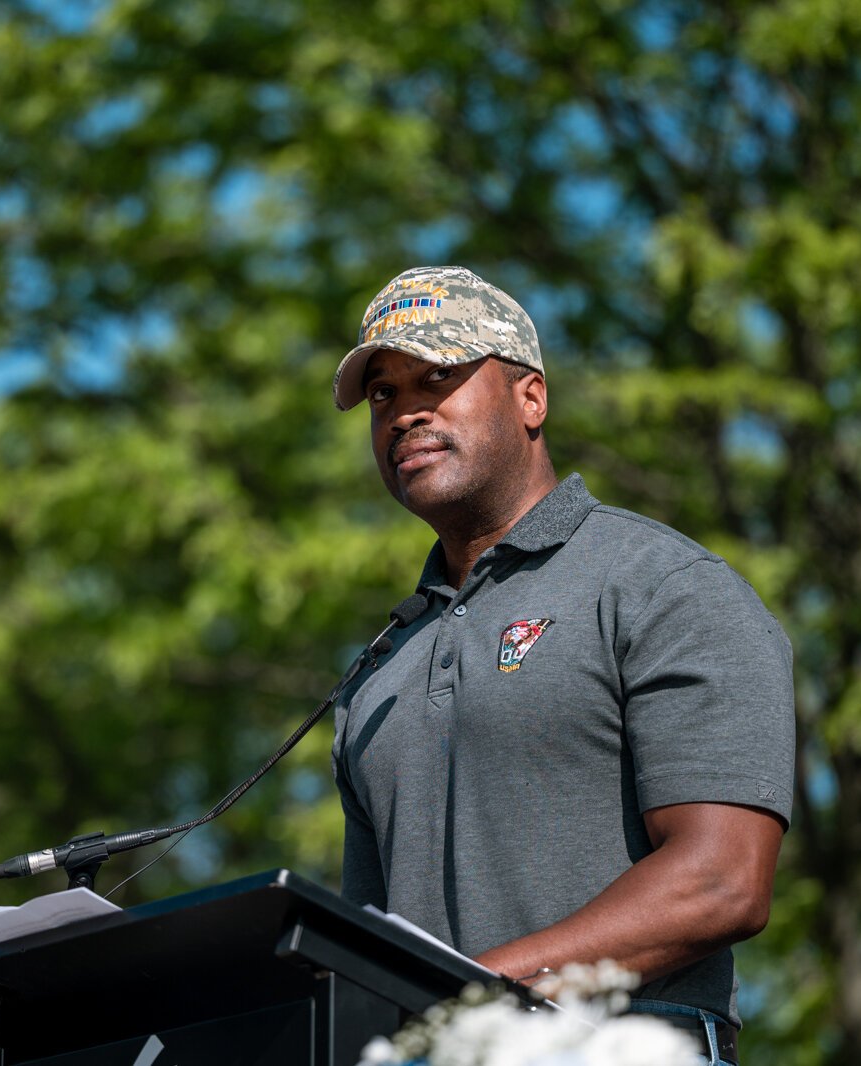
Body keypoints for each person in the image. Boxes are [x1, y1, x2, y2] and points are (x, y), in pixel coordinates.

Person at [329, 266, 795, 1065]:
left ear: (531, 399)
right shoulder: (379, 672)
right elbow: (363, 969)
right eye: (383, 395)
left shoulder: (660, 585)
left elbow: (722, 881)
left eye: (439, 375)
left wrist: (469, 998)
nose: (406, 411)